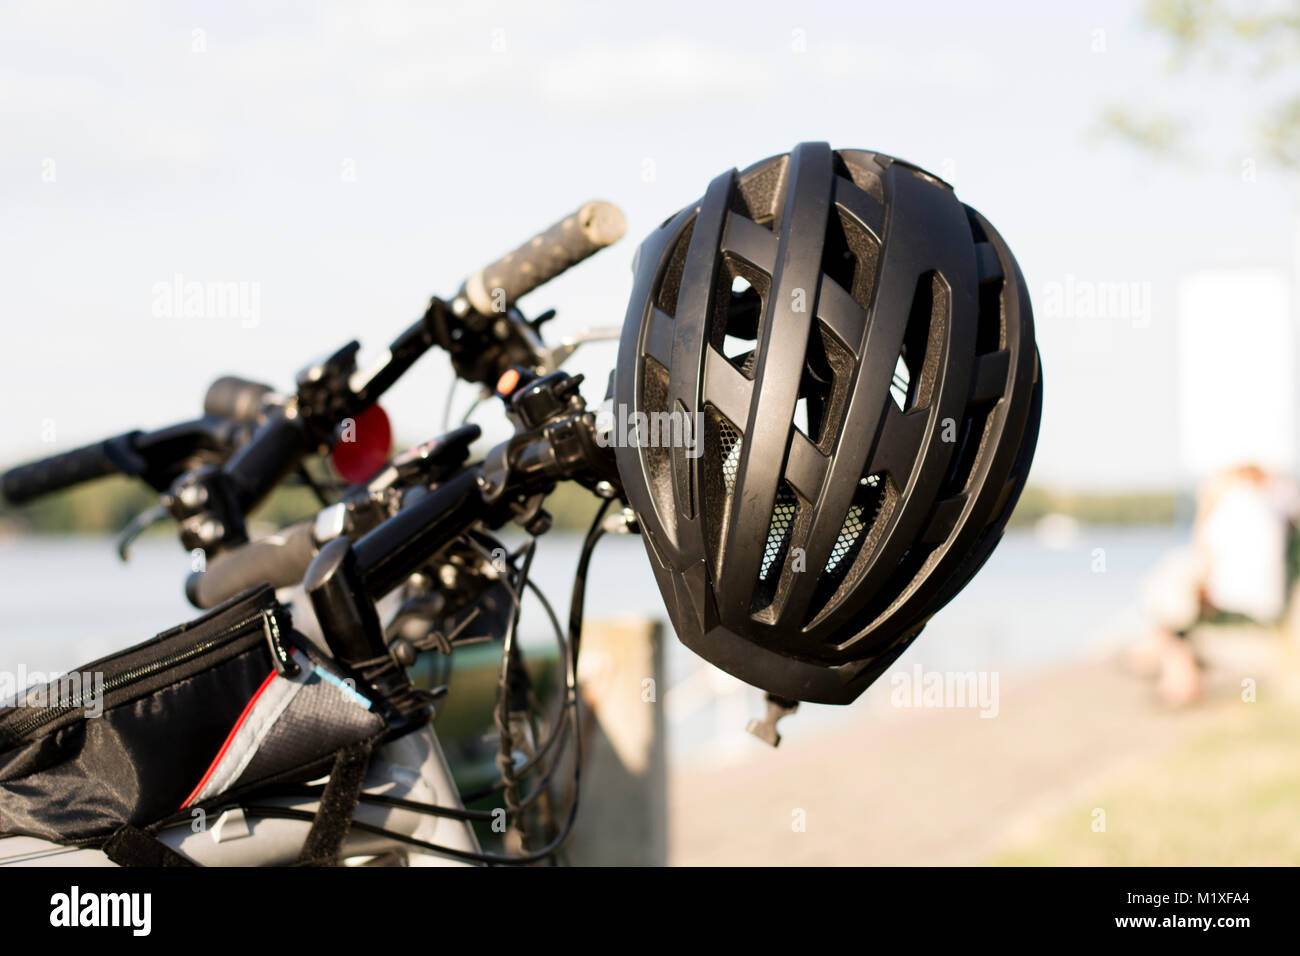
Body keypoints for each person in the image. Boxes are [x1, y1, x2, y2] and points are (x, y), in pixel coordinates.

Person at [1129, 463, 1300, 706]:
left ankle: (1179, 681)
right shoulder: (1273, 508)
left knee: (1175, 605)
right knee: (1177, 607)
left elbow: (1204, 562)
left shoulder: (1228, 513)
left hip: (1239, 613)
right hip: (1266, 609)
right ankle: (1173, 669)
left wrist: (1204, 510)